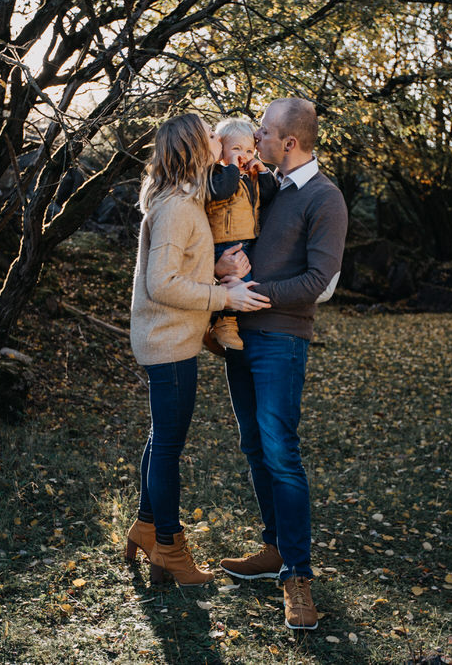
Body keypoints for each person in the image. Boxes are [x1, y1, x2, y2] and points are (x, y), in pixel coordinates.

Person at [216, 98, 348, 629]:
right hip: (239, 338)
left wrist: (254, 292)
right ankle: (273, 547)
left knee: (281, 452)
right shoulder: (261, 187)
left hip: (281, 340)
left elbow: (318, 282)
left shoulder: (325, 198)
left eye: (265, 132)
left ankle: (297, 574)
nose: (259, 138)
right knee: (253, 446)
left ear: (288, 142)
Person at [125, 113, 271, 587]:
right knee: (168, 447)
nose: (218, 140)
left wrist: (215, 265)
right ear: (194, 147)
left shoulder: (186, 201)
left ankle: (146, 526)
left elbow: (181, 266)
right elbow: (161, 282)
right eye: (211, 135)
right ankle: (169, 547)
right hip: (167, 342)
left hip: (173, 337)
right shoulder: (175, 208)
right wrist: (224, 295)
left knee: (159, 439)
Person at [205, 118, 277, 350]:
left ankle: (232, 323)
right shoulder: (216, 174)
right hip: (225, 241)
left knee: (243, 280)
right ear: (221, 150)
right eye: (236, 149)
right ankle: (222, 323)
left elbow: (270, 195)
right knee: (237, 283)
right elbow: (222, 191)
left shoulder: (250, 175)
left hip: (247, 239)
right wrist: (233, 167)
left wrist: (263, 170)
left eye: (248, 150)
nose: (243, 155)